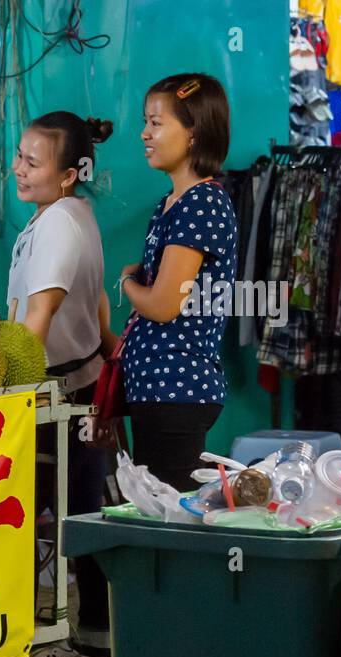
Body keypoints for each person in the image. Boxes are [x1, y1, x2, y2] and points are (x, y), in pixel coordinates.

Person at [6, 111, 118, 654]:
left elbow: (37, 321)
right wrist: (104, 338)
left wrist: (6, 393)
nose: (17, 169)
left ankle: (17, 629)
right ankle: (94, 631)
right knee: (86, 509)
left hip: (58, 393)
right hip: (86, 382)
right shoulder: (76, 214)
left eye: (32, 161)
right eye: (18, 157)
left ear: (69, 172)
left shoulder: (55, 225)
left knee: (19, 510)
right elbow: (93, 294)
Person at [118, 73, 237, 491]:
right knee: (154, 509)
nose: (144, 133)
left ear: (193, 134)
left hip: (178, 391)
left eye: (156, 122)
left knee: (168, 520)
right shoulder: (172, 202)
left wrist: (127, 284)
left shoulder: (202, 202)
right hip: (157, 391)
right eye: (146, 122)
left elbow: (165, 304)